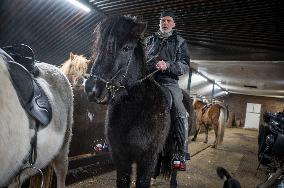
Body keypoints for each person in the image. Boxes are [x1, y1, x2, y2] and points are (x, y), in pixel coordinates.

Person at [145, 10, 191, 171]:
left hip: (168, 81)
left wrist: (168, 65)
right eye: (162, 20)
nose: (165, 23)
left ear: (173, 24)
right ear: (159, 23)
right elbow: (139, 59)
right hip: (147, 79)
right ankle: (111, 142)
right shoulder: (149, 40)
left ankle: (180, 153)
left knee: (180, 110)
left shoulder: (180, 42)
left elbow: (184, 65)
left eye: (168, 20)